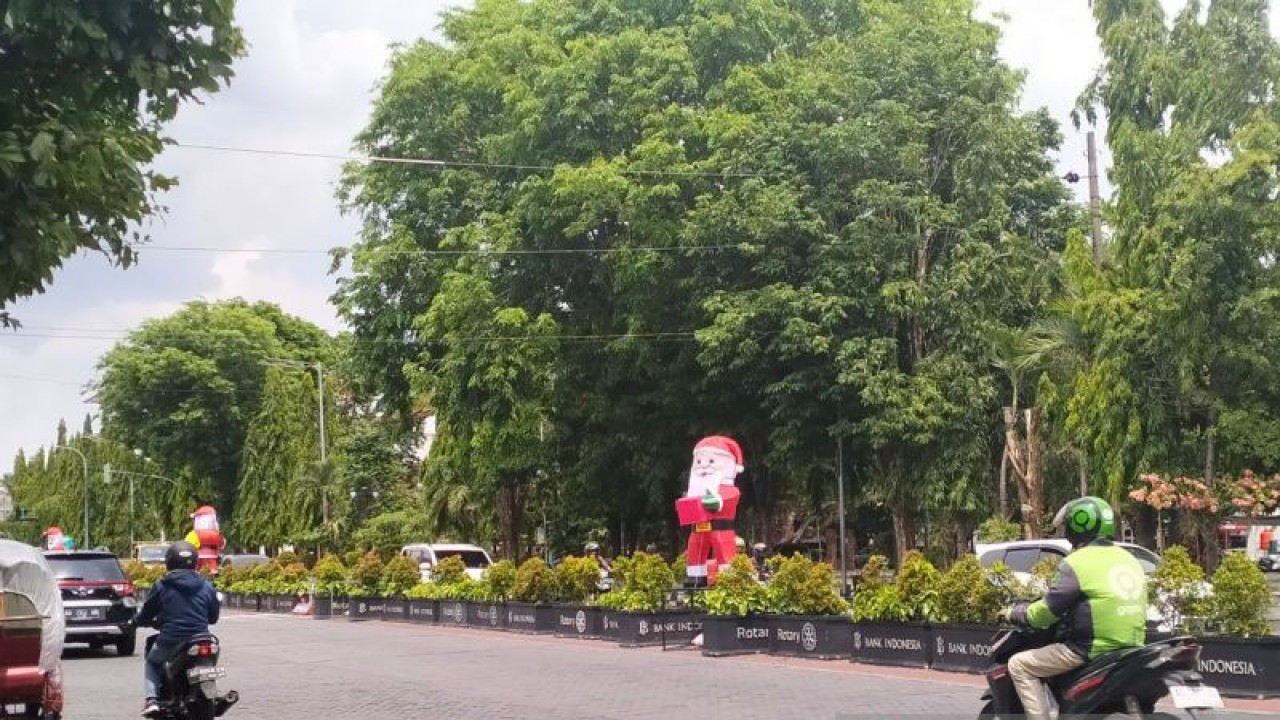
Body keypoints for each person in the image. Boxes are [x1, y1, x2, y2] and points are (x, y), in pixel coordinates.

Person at [1000, 497, 1147, 720]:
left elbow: (1047, 612)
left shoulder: (1077, 562)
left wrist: (1016, 613)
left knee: (1019, 664)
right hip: (1132, 648)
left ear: (1079, 524)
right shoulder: (1130, 558)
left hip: (1089, 649)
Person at [135, 541, 221, 718]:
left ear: (169, 561)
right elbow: (213, 618)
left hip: (171, 639)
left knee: (153, 662)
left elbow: (146, 613)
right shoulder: (206, 586)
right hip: (202, 639)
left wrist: (136, 621)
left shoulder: (162, 586)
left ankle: (151, 700)